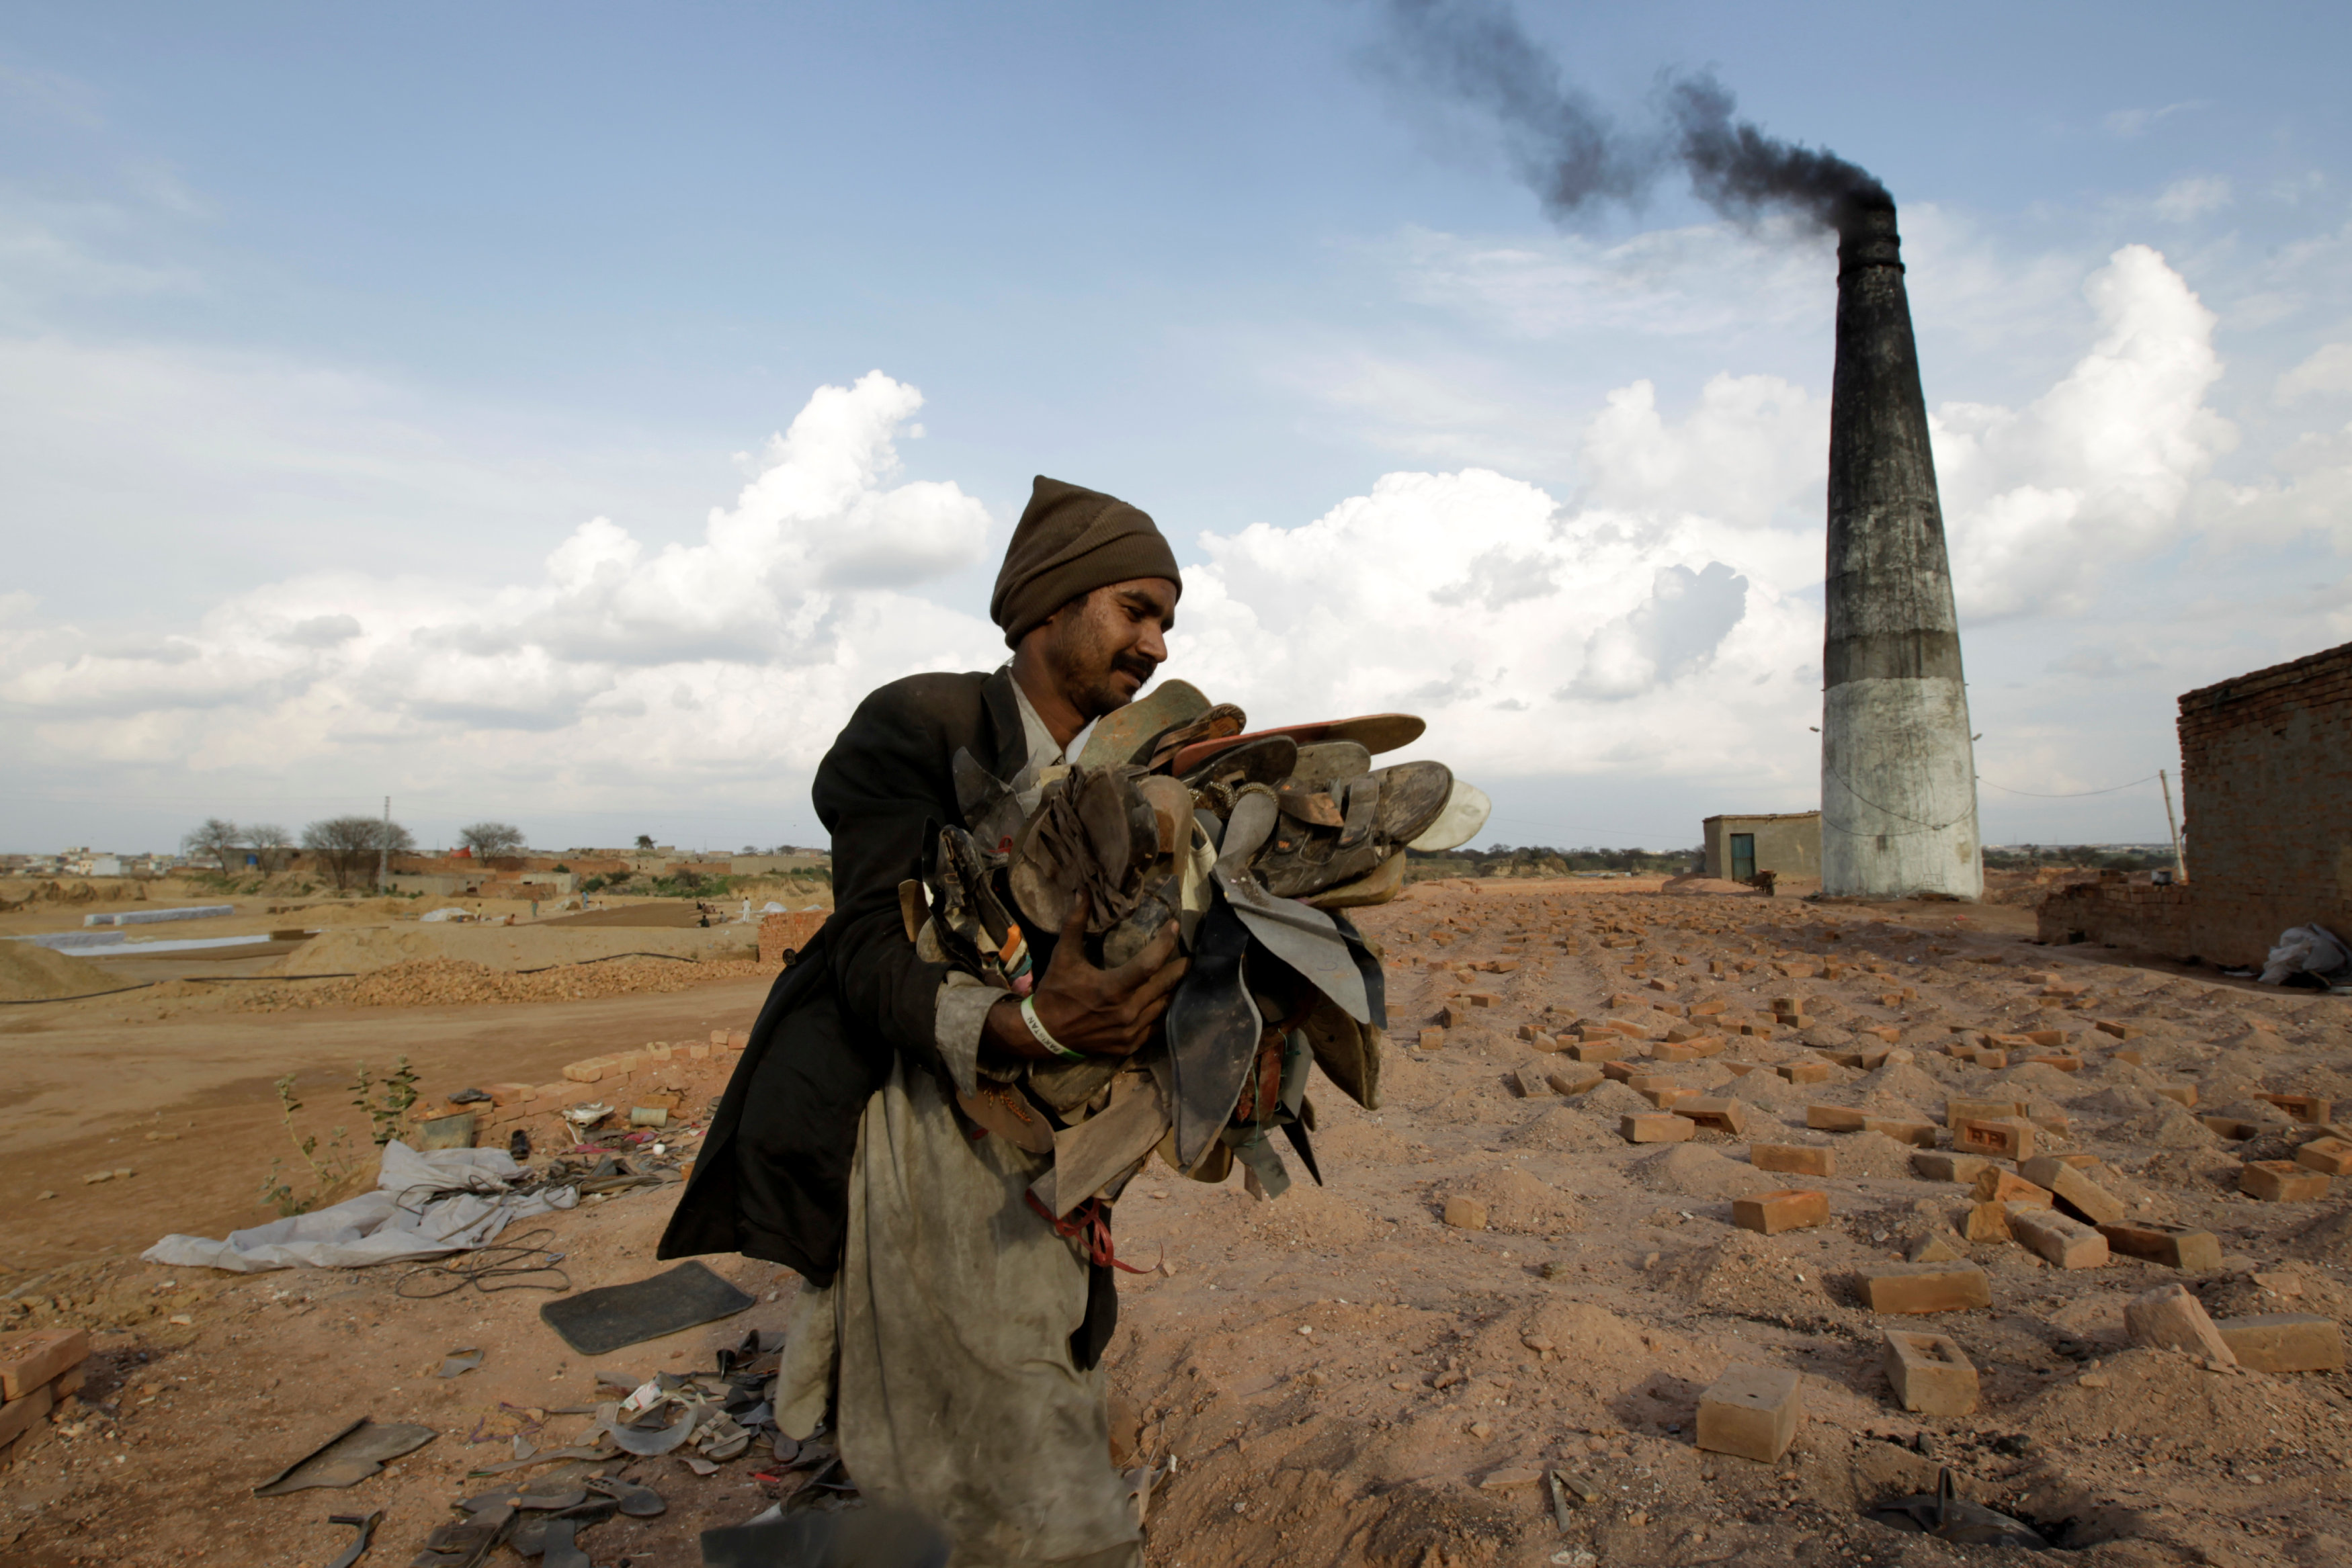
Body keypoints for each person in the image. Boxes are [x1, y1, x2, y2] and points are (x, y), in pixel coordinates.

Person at [662, 477, 1191, 1567]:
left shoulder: (1131, 772)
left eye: (1167, 623)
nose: (1156, 644)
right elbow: (866, 954)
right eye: (1136, 609)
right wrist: (1030, 1025)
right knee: (1012, 1449)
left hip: (1048, 1149)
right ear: (1050, 604)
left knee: (1033, 1379)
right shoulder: (921, 723)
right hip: (923, 1129)